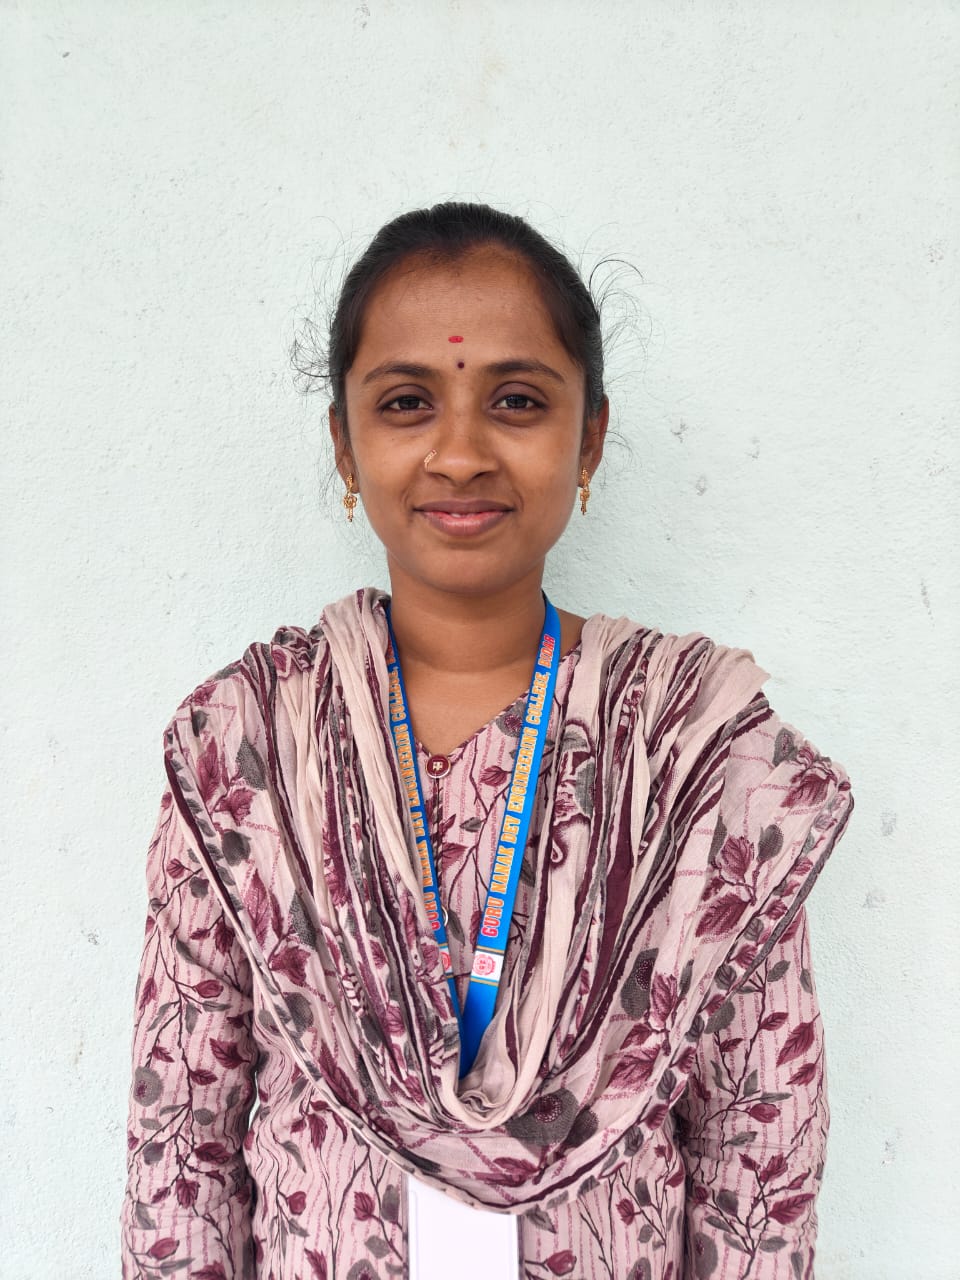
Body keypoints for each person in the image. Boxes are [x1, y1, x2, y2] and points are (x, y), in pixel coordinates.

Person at [120, 202, 854, 1280]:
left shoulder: (690, 758)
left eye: (516, 400)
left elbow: (760, 1149)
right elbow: (180, 1139)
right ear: (344, 444)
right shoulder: (252, 751)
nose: (460, 453)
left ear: (588, 437)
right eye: (406, 402)